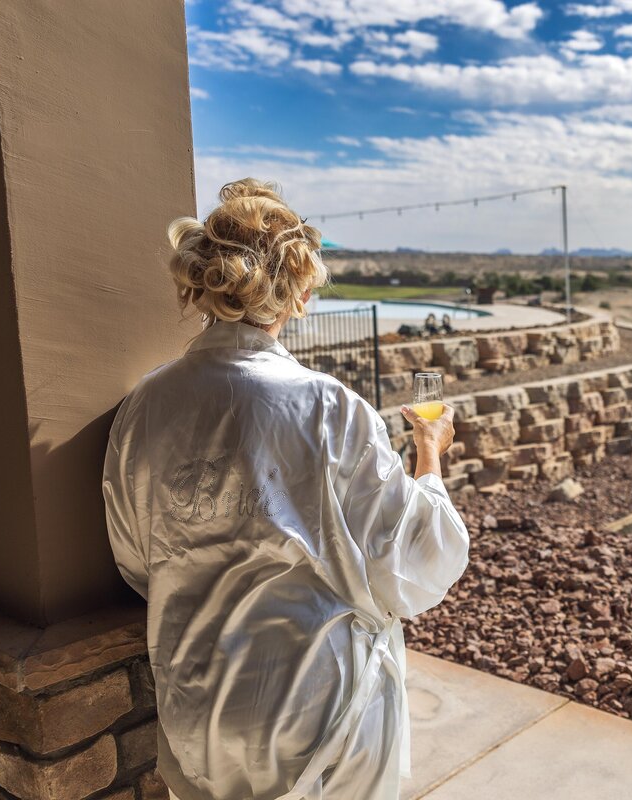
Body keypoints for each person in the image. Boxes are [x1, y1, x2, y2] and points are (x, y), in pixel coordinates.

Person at [102, 178, 469, 800]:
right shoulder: (328, 407)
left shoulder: (144, 405)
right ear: (299, 291)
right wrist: (429, 458)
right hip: (319, 705)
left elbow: (137, 561)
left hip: (200, 703)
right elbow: (417, 558)